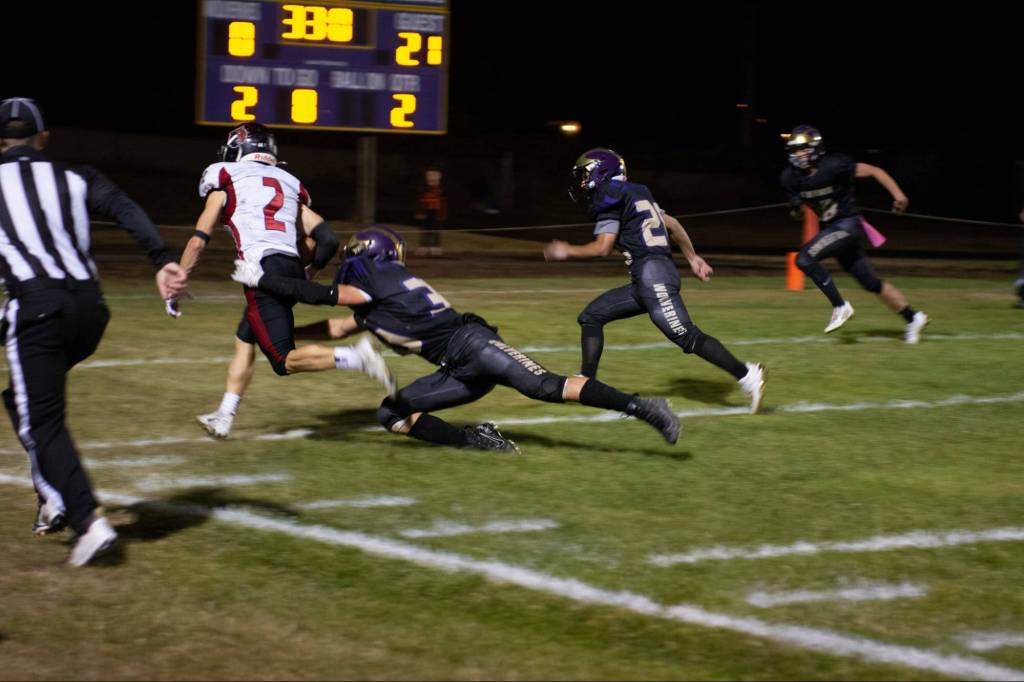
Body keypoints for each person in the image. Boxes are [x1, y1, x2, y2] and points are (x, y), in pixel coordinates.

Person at [230, 227, 681, 450]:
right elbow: (341, 326)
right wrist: (281, 333)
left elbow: (325, 296)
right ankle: (474, 441)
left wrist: (266, 282)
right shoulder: (379, 293)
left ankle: (645, 408)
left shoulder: (374, 279)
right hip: (458, 367)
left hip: (474, 344)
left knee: (550, 386)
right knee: (391, 413)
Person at [0, 97, 188, 565]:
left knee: (41, 419)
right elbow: (123, 207)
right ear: (44, 138)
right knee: (22, 400)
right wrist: (162, 258)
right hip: (89, 310)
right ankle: (54, 494)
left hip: (39, 308)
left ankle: (83, 520)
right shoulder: (74, 175)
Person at [176, 123, 395, 439]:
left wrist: (178, 281)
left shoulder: (225, 178)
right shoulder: (289, 182)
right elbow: (327, 238)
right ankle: (224, 415)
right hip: (289, 267)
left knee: (283, 360)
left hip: (261, 273)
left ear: (239, 149)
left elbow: (198, 240)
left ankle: (355, 357)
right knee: (245, 336)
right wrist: (309, 272)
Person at [543, 148, 766, 414]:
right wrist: (692, 258)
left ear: (602, 172)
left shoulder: (609, 195)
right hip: (646, 277)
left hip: (652, 275)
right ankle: (587, 381)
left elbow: (602, 247)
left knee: (686, 336)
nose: (582, 182)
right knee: (591, 316)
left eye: (585, 175)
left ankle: (747, 374)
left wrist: (566, 250)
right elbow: (672, 224)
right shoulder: (637, 192)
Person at [782, 125, 929, 342]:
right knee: (871, 283)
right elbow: (798, 215)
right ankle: (913, 317)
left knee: (804, 258)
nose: (799, 154)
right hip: (832, 230)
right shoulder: (790, 177)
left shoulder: (834, 165)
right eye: (795, 150)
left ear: (816, 148)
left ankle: (840, 306)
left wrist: (899, 195)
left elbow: (875, 171)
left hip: (847, 225)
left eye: (803, 148)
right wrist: (796, 209)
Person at [414, 167, 447, 257]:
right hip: (426, 212)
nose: (432, 178)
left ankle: (435, 247)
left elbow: (443, 203)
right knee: (425, 229)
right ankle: (423, 246)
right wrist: (419, 213)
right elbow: (420, 202)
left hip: (436, 213)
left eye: (434, 176)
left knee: (436, 230)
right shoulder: (423, 189)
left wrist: (442, 214)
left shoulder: (441, 190)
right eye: (430, 176)